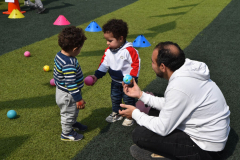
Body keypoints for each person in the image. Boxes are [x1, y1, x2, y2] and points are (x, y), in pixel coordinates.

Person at [119, 41, 230, 160]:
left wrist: (135, 114)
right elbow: (171, 104)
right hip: (213, 137)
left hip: (207, 150)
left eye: (152, 62)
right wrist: (141, 95)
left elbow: (162, 128)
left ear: (162, 67)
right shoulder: (188, 69)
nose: (151, 65)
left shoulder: (179, 86)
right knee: (153, 112)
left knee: (140, 134)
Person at [90, 19, 141, 126]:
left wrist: (132, 78)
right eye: (107, 40)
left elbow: (136, 64)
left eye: (110, 40)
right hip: (115, 81)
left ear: (121, 38)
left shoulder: (129, 51)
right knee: (115, 97)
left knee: (128, 99)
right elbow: (104, 64)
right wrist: (96, 76)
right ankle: (116, 113)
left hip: (128, 83)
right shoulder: (108, 51)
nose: (107, 43)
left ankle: (130, 116)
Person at [54, 26, 88, 141]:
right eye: (80, 48)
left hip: (62, 91)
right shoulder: (69, 62)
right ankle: (67, 133)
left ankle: (72, 124)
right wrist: (78, 99)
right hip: (68, 94)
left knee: (71, 111)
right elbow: (70, 83)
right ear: (75, 49)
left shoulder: (59, 55)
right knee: (68, 114)